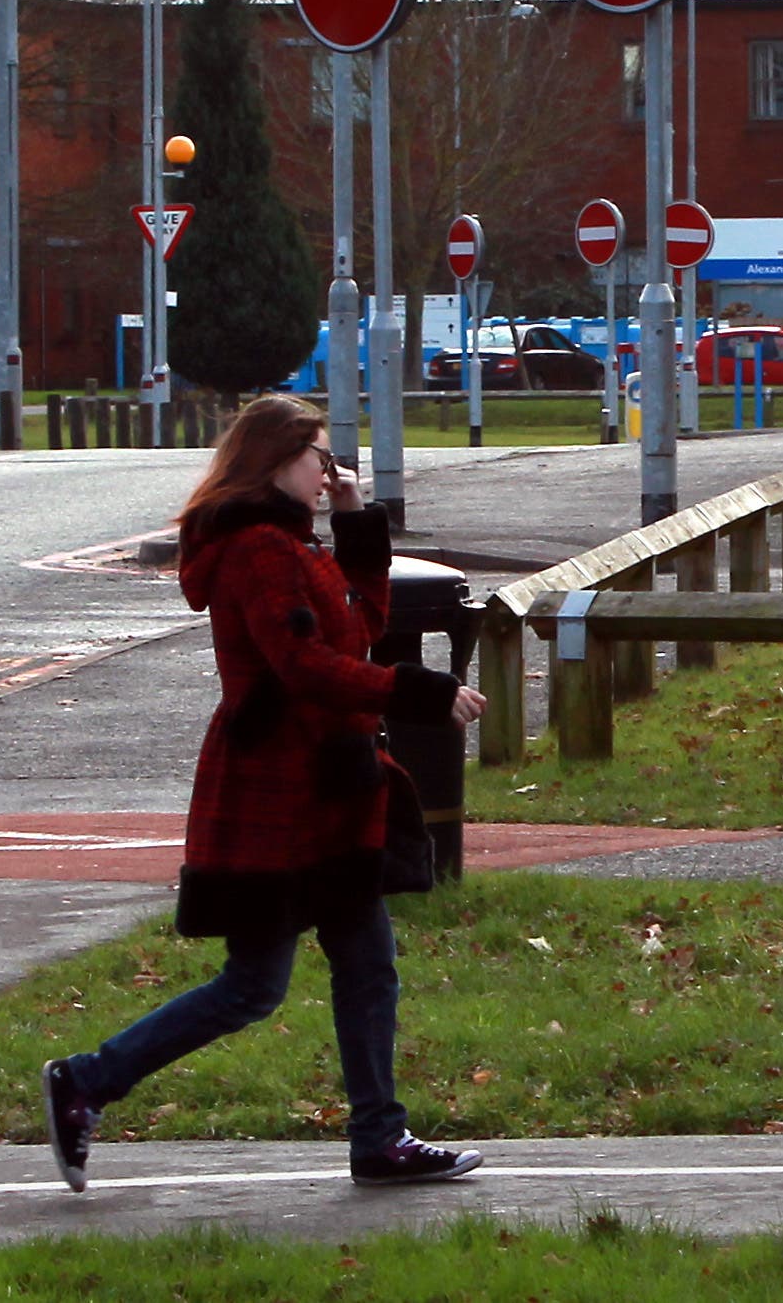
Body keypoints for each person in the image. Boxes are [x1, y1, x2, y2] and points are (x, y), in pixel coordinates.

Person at [41, 394, 488, 1192]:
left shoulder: (296, 545)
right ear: (278, 458)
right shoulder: (257, 550)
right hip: (277, 787)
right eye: (319, 456)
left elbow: (359, 629)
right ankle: (86, 1080)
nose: (329, 471)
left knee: (368, 964)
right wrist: (419, 693)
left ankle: (380, 1139)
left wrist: (356, 524)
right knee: (254, 986)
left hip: (330, 781)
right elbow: (303, 668)